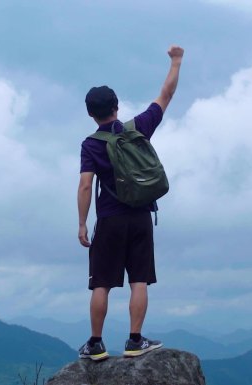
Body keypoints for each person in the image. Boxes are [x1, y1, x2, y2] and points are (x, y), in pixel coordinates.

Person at [77, 45, 184, 361]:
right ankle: (135, 340)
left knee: (102, 283)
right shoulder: (139, 128)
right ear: (116, 106)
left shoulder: (91, 145)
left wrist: (83, 223)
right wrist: (176, 61)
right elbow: (165, 95)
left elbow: (86, 186)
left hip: (109, 220)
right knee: (139, 280)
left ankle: (96, 344)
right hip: (140, 217)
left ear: (90, 113)